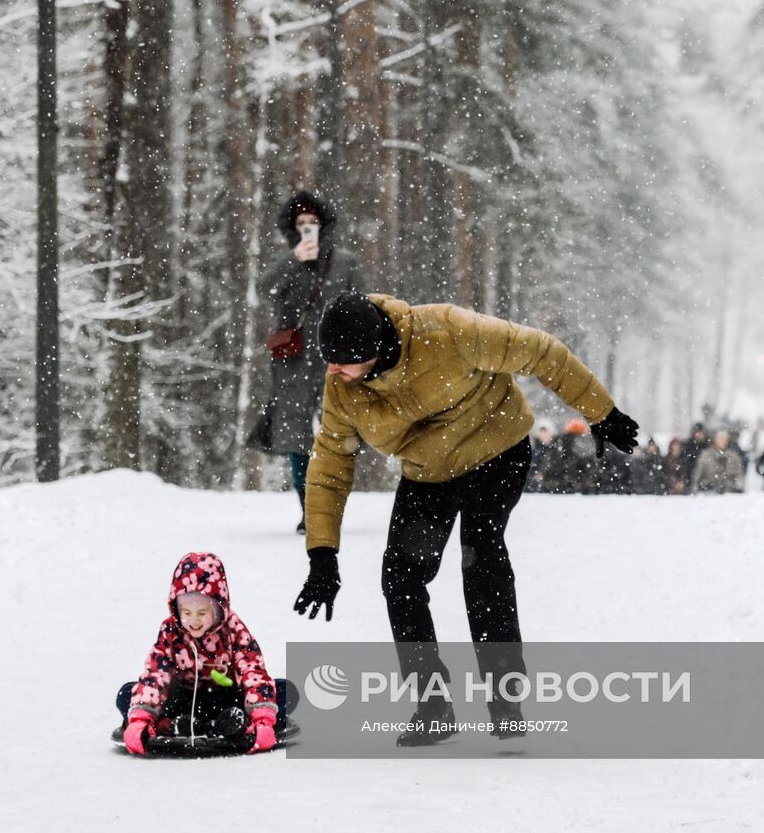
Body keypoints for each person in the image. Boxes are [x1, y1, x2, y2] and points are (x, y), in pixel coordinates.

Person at [293, 293, 638, 746]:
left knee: (480, 554)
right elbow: (330, 463)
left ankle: (505, 697)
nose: (333, 370)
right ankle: (432, 704)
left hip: (497, 450)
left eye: (342, 361)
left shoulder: (447, 330)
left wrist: (602, 412)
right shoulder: (342, 386)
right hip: (428, 473)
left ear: (373, 349)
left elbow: (541, 352)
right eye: (330, 360)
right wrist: (322, 554)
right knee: (400, 576)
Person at [117, 552, 298, 755]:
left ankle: (235, 722)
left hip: (227, 698)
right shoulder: (171, 631)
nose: (194, 620)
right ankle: (174, 724)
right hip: (184, 699)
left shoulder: (233, 629)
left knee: (285, 691)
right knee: (127, 694)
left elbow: (252, 671)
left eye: (202, 613)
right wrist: (140, 718)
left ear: (218, 609)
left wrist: (262, 719)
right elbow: (156, 673)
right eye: (187, 613)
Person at [259, 191, 365, 534]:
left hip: (335, 360)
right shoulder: (285, 262)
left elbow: (363, 306)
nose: (307, 228)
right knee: (296, 437)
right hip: (293, 361)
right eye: (301, 223)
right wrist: (294, 260)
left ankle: (329, 504)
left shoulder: (345, 262)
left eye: (312, 222)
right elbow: (263, 290)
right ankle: (308, 509)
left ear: (324, 225)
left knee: (337, 433)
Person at [692, 429, 745, 494]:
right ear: (715, 440)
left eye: (724, 439)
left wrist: (738, 486)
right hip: (709, 492)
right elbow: (697, 474)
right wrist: (698, 487)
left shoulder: (734, 456)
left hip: (729, 492)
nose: (722, 441)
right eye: (720, 439)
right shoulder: (706, 455)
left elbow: (739, 474)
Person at [529, 424, 556, 494]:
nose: (543, 435)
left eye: (545, 432)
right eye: (541, 432)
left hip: (552, 486)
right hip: (534, 485)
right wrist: (535, 474)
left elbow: (558, 467)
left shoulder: (555, 450)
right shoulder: (534, 450)